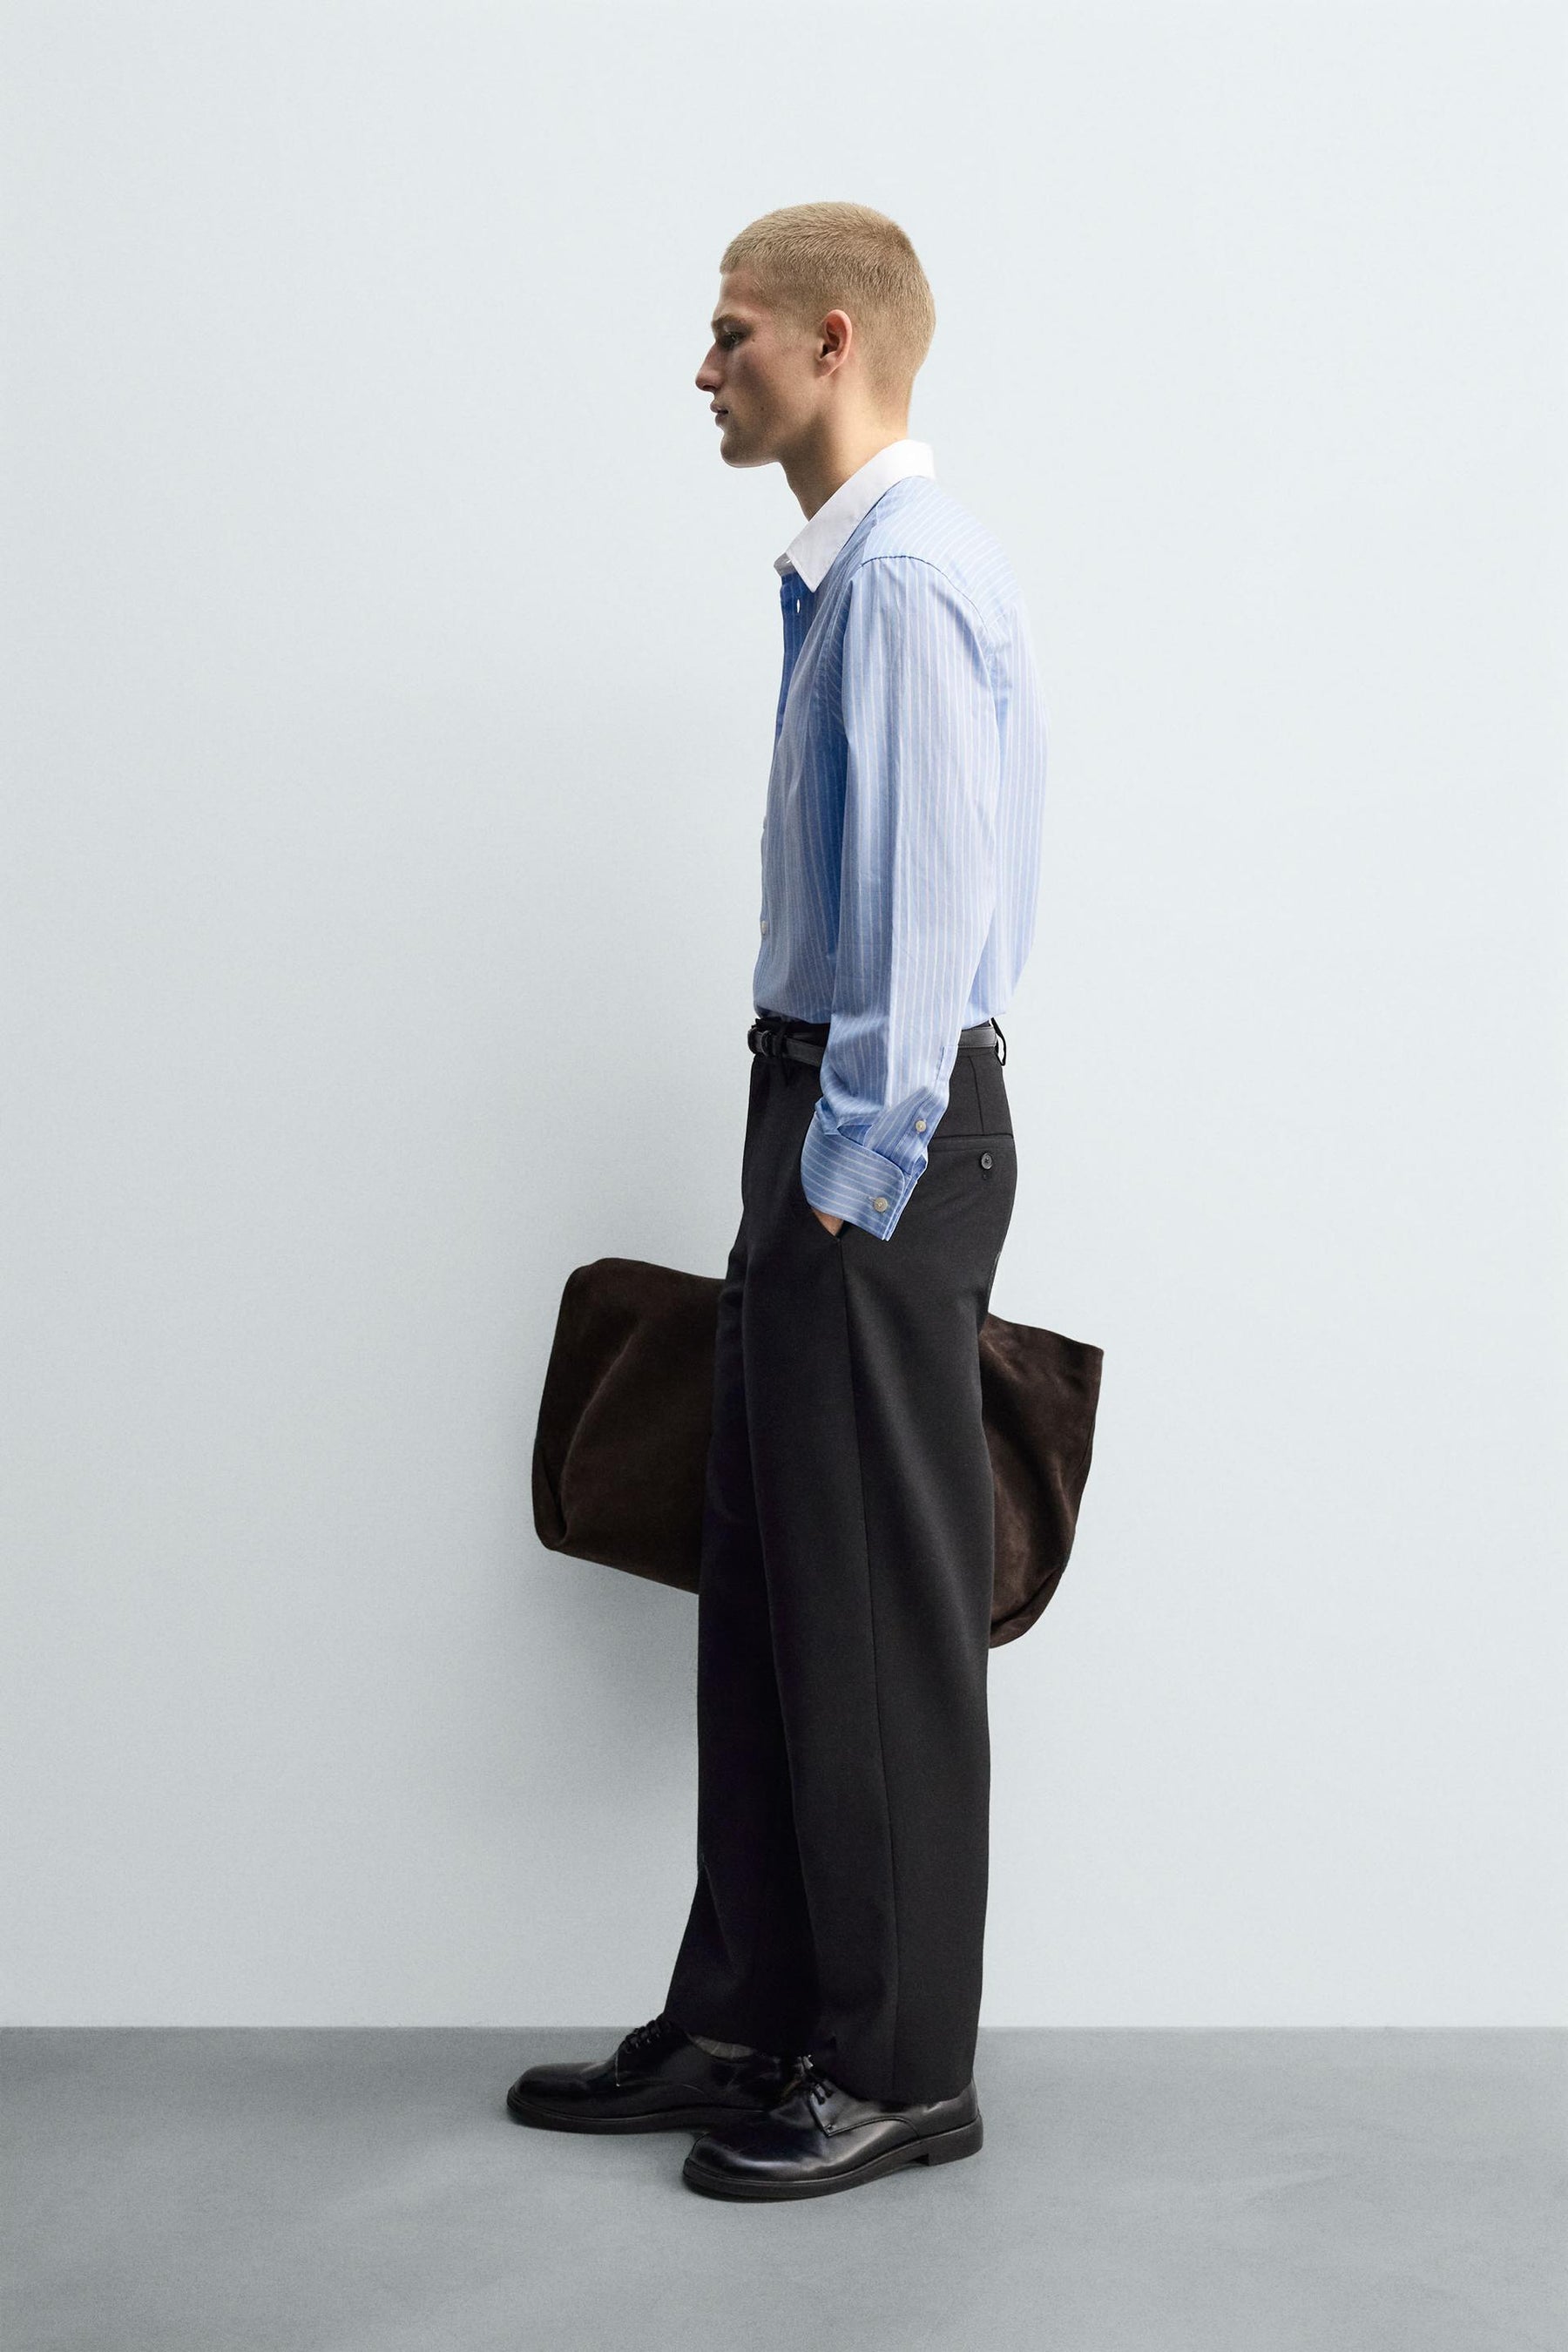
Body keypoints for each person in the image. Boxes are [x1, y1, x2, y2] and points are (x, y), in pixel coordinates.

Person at [508, 200, 1049, 2201]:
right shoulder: (855, 578)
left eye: (729, 333)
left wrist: (852, 1175)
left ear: (834, 341)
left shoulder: (902, 585)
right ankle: (747, 2016)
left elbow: (931, 920)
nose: (705, 365)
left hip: (870, 1139)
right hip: (818, 1124)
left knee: (878, 1613)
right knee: (764, 1589)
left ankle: (901, 2065)